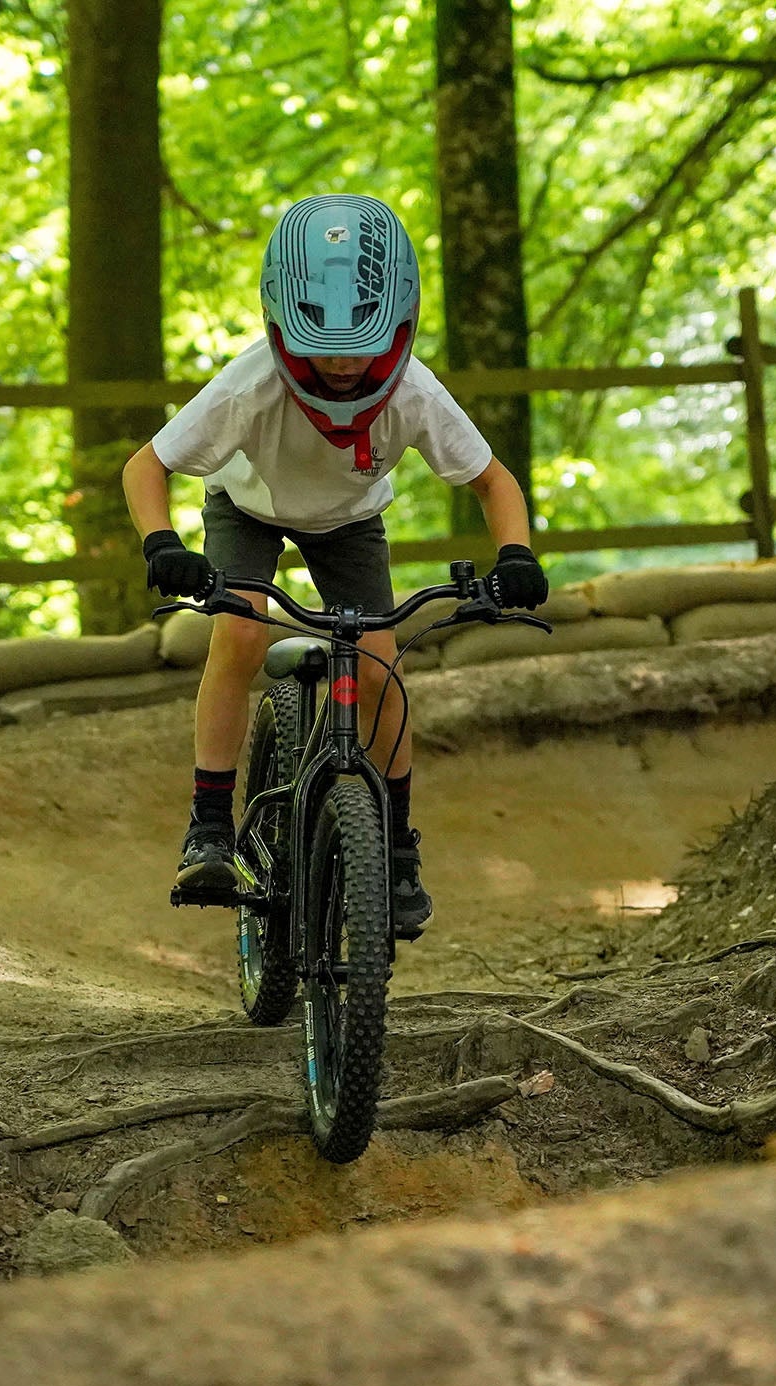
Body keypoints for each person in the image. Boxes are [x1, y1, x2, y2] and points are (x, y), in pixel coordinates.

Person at [121, 192, 546, 935]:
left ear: (400, 325)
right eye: (325, 345)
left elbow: (494, 482)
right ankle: (209, 826)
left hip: (349, 523)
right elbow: (144, 466)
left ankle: (398, 847)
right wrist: (163, 544)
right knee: (240, 632)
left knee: (380, 668)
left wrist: (516, 556)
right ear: (285, 324)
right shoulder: (252, 384)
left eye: (364, 344)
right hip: (248, 509)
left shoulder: (413, 390)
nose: (346, 364)